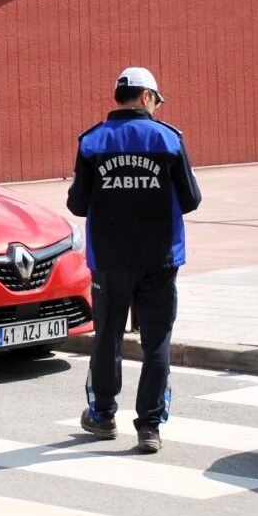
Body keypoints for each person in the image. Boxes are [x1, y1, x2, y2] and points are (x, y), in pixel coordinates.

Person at [67, 66, 202, 454]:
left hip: (109, 259)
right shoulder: (168, 139)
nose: (156, 106)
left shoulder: (92, 142)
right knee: (156, 340)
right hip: (160, 258)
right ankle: (149, 426)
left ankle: (103, 414)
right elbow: (191, 199)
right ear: (146, 97)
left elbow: (78, 204)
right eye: (156, 100)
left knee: (107, 335)